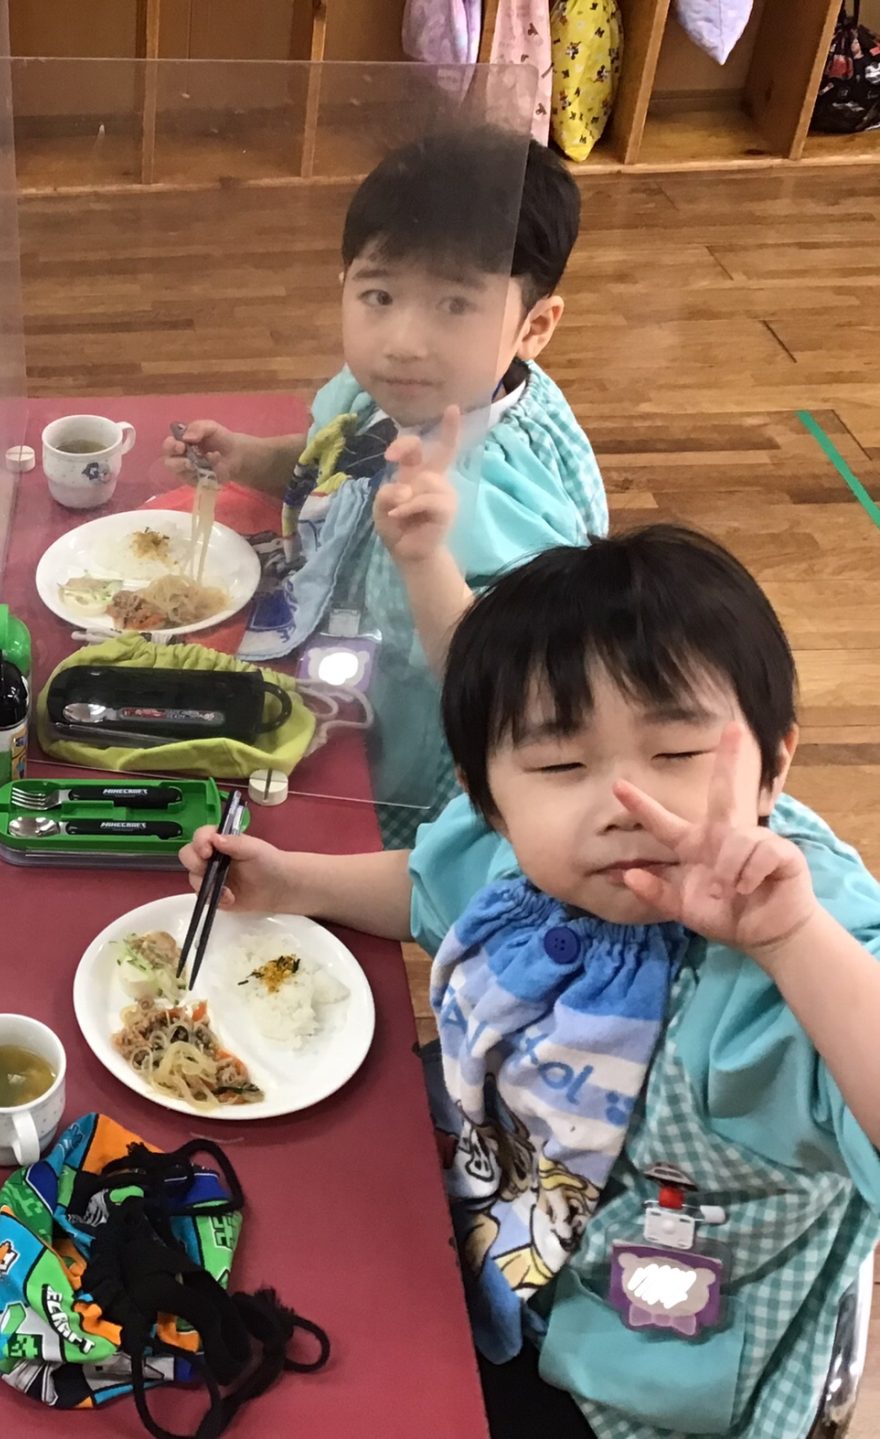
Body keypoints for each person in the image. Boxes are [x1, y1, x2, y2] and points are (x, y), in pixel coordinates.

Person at [182, 527, 880, 1437]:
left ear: (775, 764)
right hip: (483, 1217)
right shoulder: (521, 859)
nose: (625, 806)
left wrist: (794, 944)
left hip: (643, 1370)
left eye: (676, 753)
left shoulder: (795, 953)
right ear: (488, 798)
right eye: (560, 765)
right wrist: (293, 882)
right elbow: (434, 893)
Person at [165, 127, 606, 846]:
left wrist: (428, 558)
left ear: (535, 327)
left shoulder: (507, 490)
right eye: (379, 294)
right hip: (339, 687)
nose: (402, 341)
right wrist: (247, 459)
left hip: (417, 762)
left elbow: (517, 687)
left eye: (454, 306)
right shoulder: (383, 394)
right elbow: (335, 462)